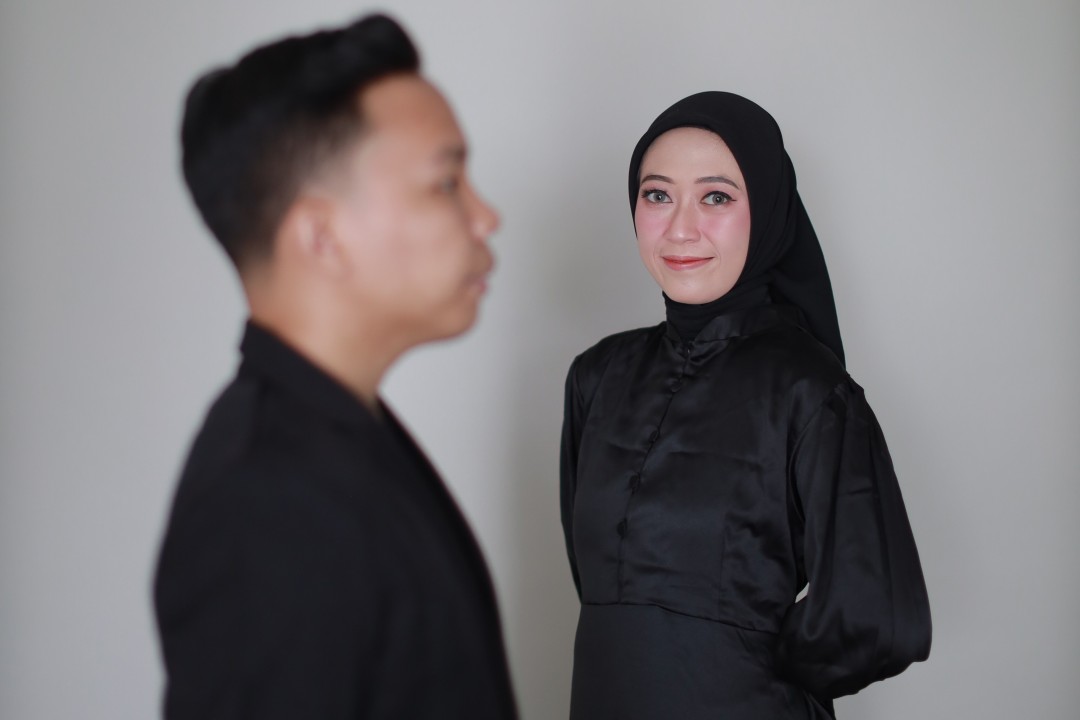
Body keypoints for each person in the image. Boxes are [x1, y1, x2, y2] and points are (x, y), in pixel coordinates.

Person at [153, 14, 517, 719]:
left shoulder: (340, 435)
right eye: (446, 183)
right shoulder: (261, 507)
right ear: (321, 237)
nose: (487, 217)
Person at [560, 91, 931, 719]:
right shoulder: (596, 377)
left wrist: (742, 663)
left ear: (767, 210)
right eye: (657, 195)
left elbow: (879, 617)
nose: (681, 228)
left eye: (716, 197)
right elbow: (595, 580)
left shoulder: (811, 391)